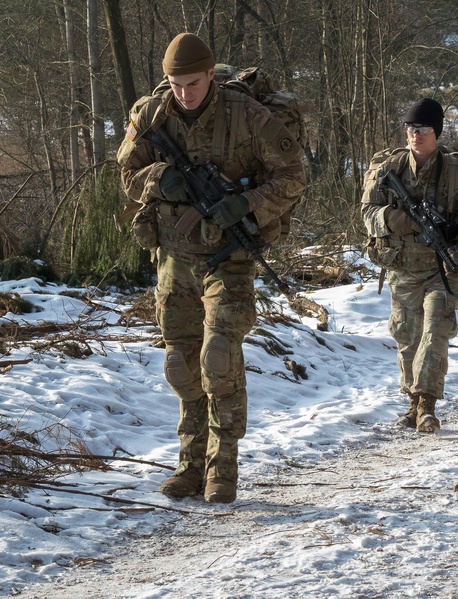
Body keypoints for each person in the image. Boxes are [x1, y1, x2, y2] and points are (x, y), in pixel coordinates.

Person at [117, 33, 306, 503]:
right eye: (176, 84)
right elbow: (126, 175)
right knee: (181, 363)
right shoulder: (152, 114)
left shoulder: (248, 116)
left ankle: (223, 470)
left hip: (230, 257)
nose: (185, 94)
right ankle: (189, 467)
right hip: (174, 257)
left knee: (218, 357)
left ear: (210, 75)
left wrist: (245, 203)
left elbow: (293, 176)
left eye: (194, 83)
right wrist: (163, 178)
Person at [360, 98, 458, 434]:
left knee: (434, 333)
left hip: (440, 272)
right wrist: (394, 218)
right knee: (406, 336)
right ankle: (413, 403)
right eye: (411, 129)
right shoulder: (388, 169)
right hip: (401, 265)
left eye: (424, 130)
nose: (416, 135)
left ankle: (427, 404)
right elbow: (367, 214)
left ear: (437, 134)